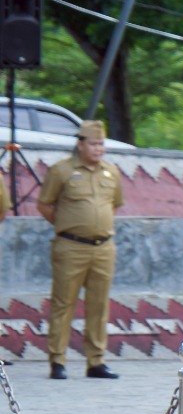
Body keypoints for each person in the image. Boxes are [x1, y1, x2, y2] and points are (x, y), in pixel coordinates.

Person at [38, 120, 124, 380]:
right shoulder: (61, 171)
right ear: (80, 144)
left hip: (103, 247)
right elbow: (45, 205)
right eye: (94, 143)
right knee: (63, 303)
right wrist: (69, 225)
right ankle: (58, 360)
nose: (99, 149)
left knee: (99, 305)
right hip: (70, 247)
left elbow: (115, 205)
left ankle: (96, 361)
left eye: (102, 144)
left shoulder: (111, 172)